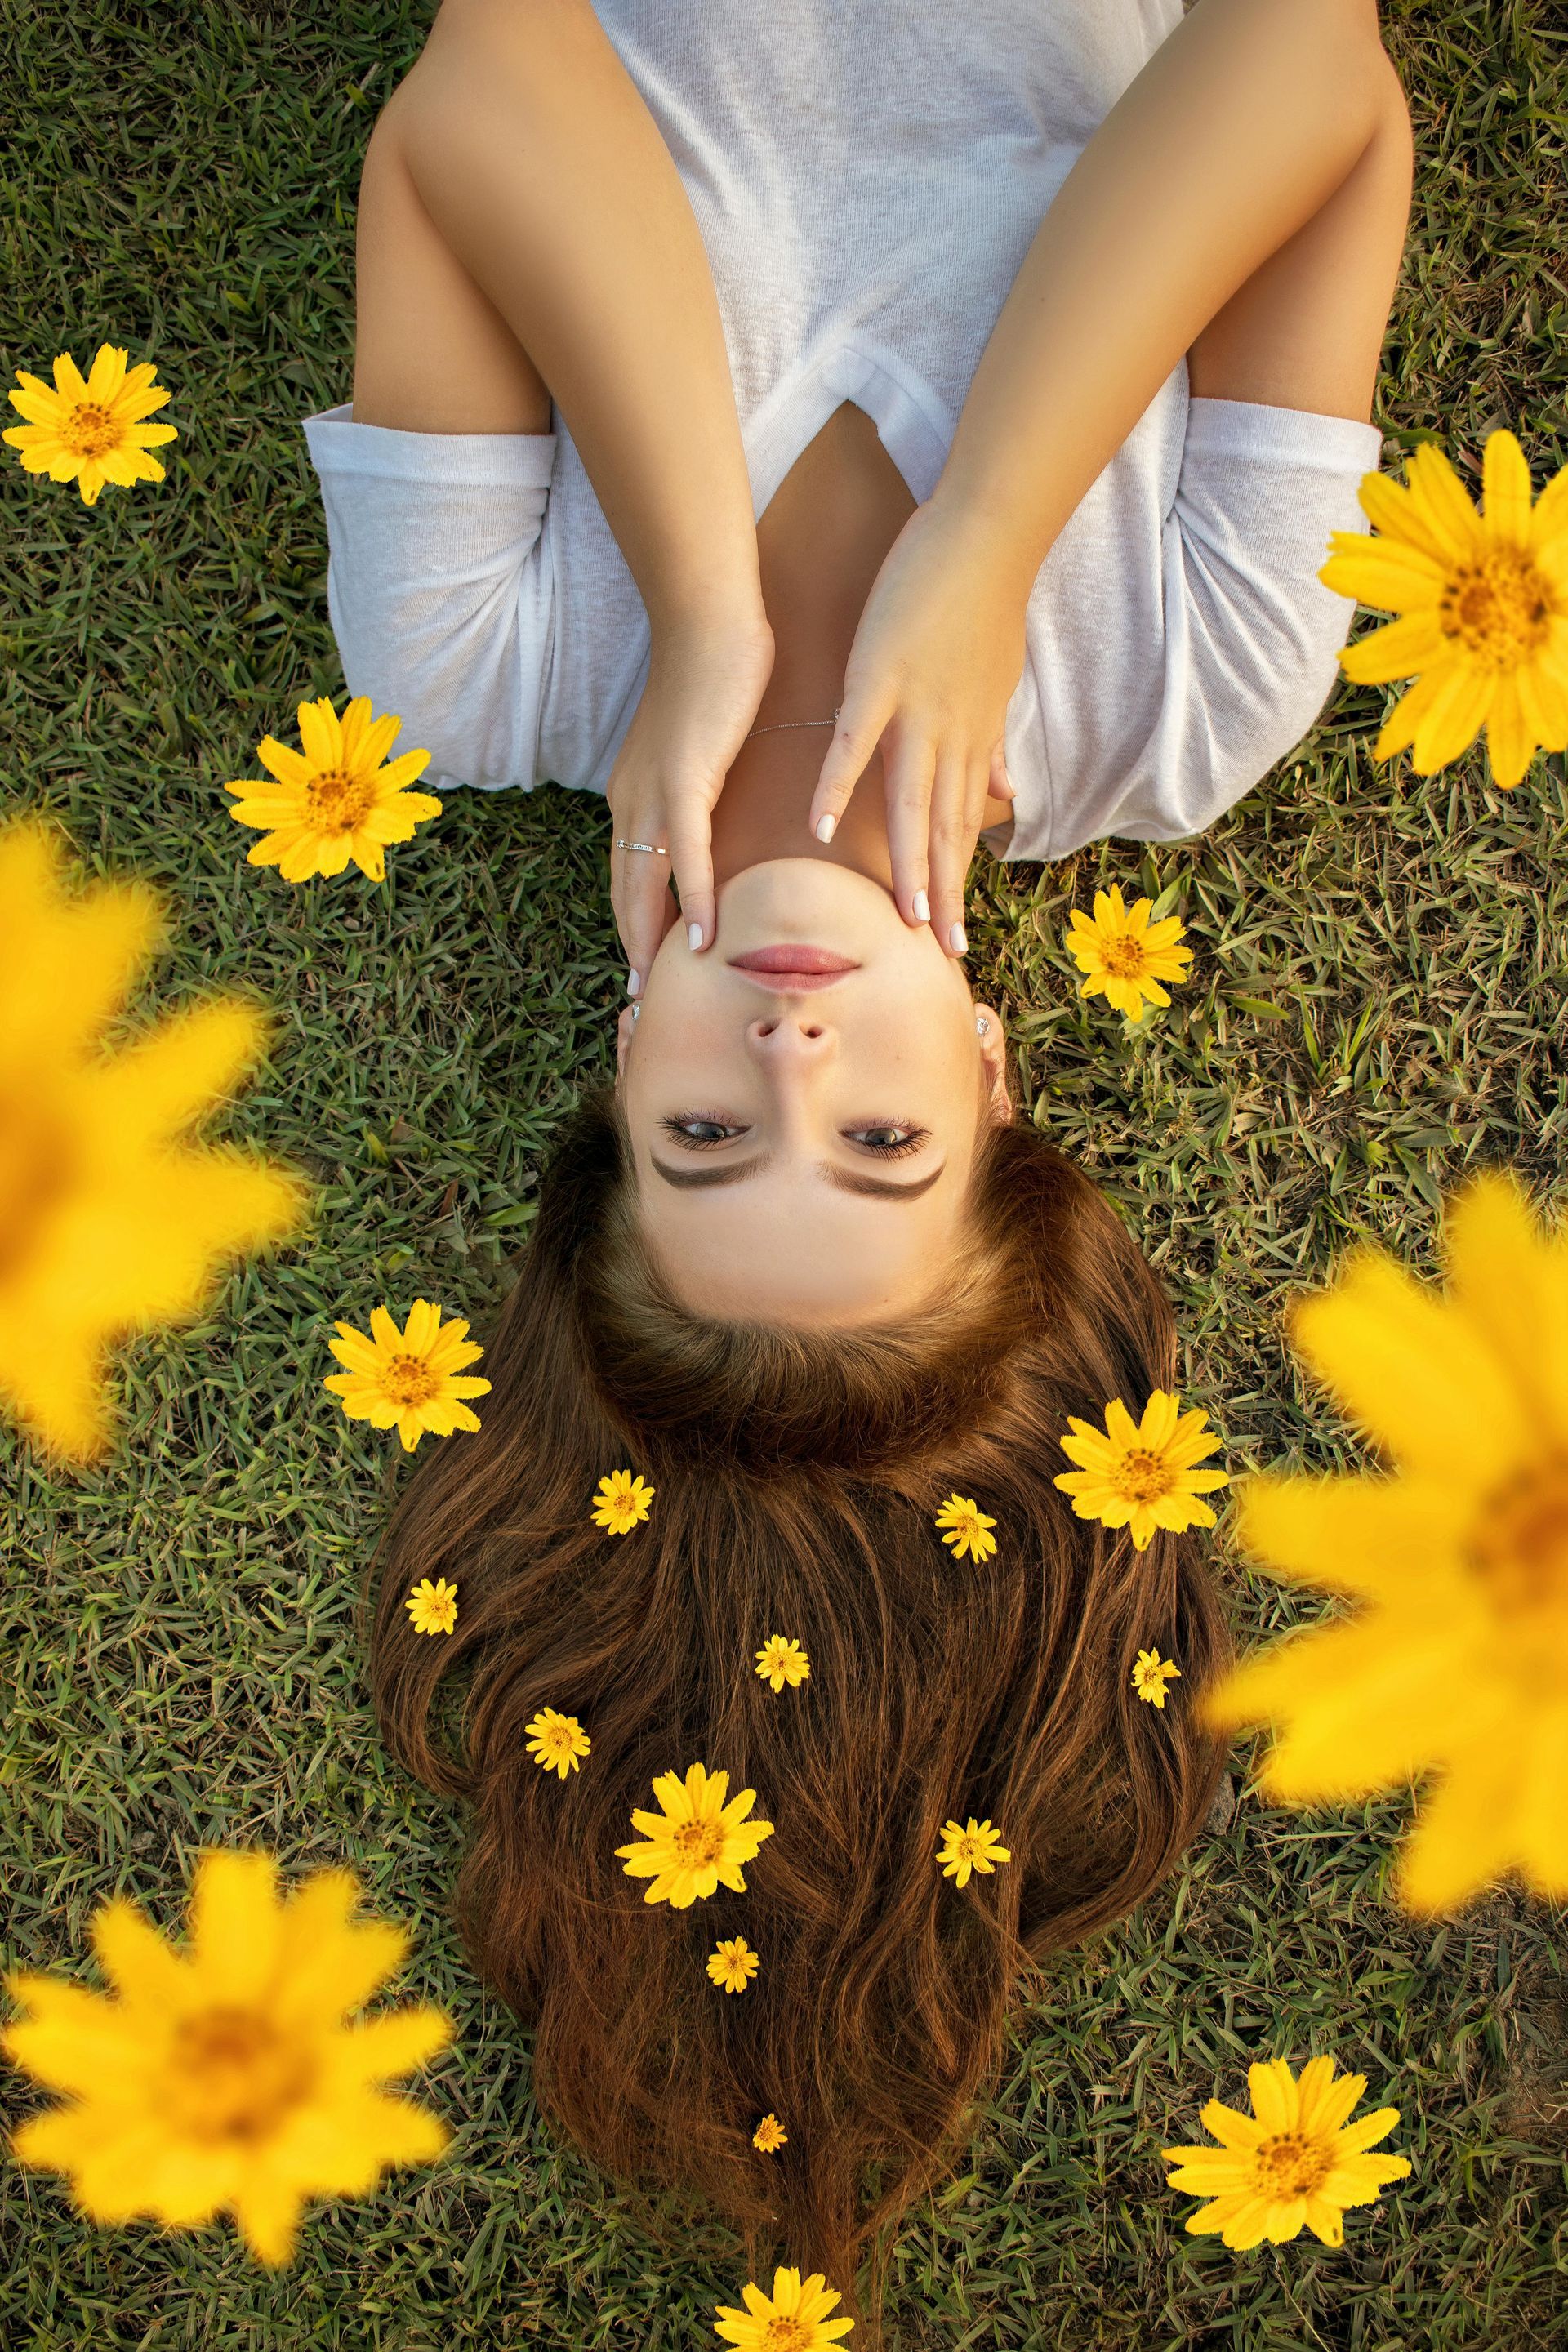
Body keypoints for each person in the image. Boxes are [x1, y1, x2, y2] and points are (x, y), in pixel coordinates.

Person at [302, 0, 1415, 2321]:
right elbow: (1316, 61)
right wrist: (993, 541)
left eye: (711, 1137)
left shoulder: (475, 673)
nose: (793, 1048)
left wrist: (697, 598)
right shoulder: (1192, 701)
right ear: (1001, 1083)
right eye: (884, 1140)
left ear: (619, 1086)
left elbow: (489, 72)